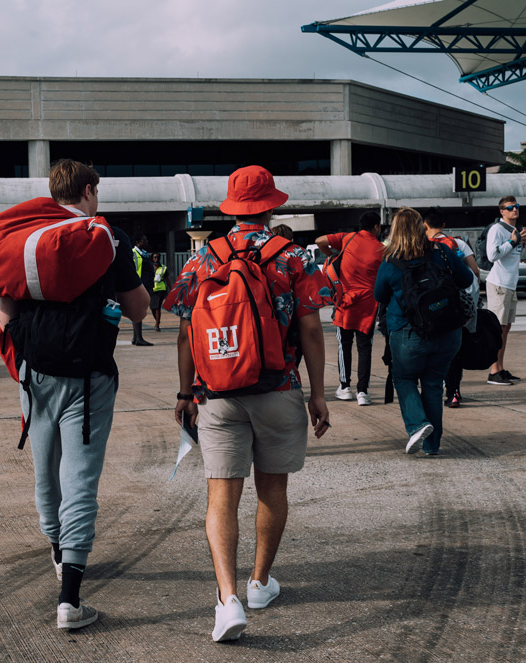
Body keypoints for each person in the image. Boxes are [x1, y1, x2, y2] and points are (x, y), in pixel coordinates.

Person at [165, 165, 330, 642]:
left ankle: (227, 599)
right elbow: (313, 329)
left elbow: (183, 333)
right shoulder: (293, 256)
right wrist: (317, 394)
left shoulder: (203, 259)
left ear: (231, 207)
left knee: (221, 496)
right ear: (271, 206)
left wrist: (185, 392)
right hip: (278, 389)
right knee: (272, 491)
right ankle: (259, 583)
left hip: (216, 393)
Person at [0, 159, 149, 630]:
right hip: (91, 378)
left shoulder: (27, 235)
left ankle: (58, 549)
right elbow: (139, 309)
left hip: (36, 375)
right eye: (96, 191)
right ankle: (69, 601)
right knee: (80, 478)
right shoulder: (109, 237)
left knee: (46, 471)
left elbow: (5, 314)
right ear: (87, 190)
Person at [374, 207, 473, 456]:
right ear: (422, 227)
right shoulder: (442, 251)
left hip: (409, 334)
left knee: (403, 378)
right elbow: (466, 280)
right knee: (433, 384)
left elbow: (380, 296)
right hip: (448, 332)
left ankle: (418, 424)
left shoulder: (390, 260)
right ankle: (432, 445)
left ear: (394, 230)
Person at [314, 211, 384, 406]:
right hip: (368, 306)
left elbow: (320, 240)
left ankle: (345, 387)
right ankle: (363, 392)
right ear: (376, 227)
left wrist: (333, 254)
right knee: (365, 348)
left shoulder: (347, 238)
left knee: (343, 345)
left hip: (345, 302)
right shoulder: (380, 249)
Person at [423, 211, 480, 408]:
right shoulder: (458, 244)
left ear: (424, 225)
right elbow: (474, 272)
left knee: (430, 349)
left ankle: (431, 390)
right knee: (454, 349)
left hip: (429, 307)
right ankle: (454, 392)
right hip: (453, 305)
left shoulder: (421, 246)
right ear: (444, 224)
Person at [485, 196, 526, 385]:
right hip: (499, 284)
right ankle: (493, 371)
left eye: (517, 206)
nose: (515, 210)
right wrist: (512, 242)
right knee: (498, 329)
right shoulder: (496, 229)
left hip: (510, 284)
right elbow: (492, 255)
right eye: (510, 207)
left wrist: (521, 242)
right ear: (502, 211)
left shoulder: (514, 230)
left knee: (506, 328)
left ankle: (500, 368)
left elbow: (513, 257)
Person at [131, 233, 155, 346]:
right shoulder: (133, 253)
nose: (146, 242)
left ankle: (136, 338)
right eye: (144, 240)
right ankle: (139, 338)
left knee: (140, 310)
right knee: (138, 310)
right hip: (138, 285)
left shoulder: (143, 254)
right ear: (138, 242)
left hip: (145, 285)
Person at [150, 251, 170, 332]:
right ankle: (157, 320)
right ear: (152, 258)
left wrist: (171, 290)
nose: (156, 259)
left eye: (157, 257)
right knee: (152, 307)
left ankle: (157, 324)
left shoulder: (163, 268)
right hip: (151, 289)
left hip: (161, 289)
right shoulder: (149, 267)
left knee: (158, 307)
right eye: (154, 257)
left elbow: (167, 279)